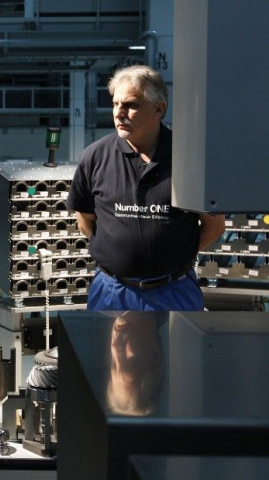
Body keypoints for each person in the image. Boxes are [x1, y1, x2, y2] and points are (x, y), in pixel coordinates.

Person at [66, 64, 225, 311]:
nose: (120, 113)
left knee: (180, 351)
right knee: (103, 352)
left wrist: (175, 257)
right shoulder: (95, 157)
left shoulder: (190, 159)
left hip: (174, 292)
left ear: (158, 109)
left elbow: (214, 226)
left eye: (131, 105)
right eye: (116, 104)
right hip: (112, 292)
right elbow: (85, 221)